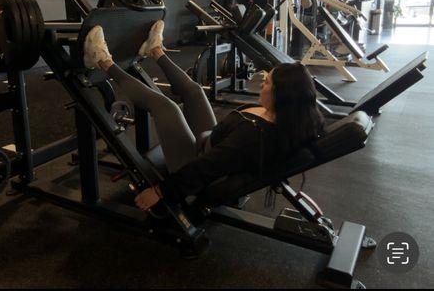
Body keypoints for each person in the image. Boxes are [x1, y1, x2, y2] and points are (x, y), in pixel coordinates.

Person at [82, 20, 324, 212]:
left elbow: (205, 168)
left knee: (165, 106)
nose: (262, 83)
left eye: (268, 83)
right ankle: (155, 50)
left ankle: (102, 61)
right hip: (213, 143)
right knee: (195, 91)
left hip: (197, 168)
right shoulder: (295, 117)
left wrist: (159, 192)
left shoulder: (252, 137)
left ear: (282, 96)